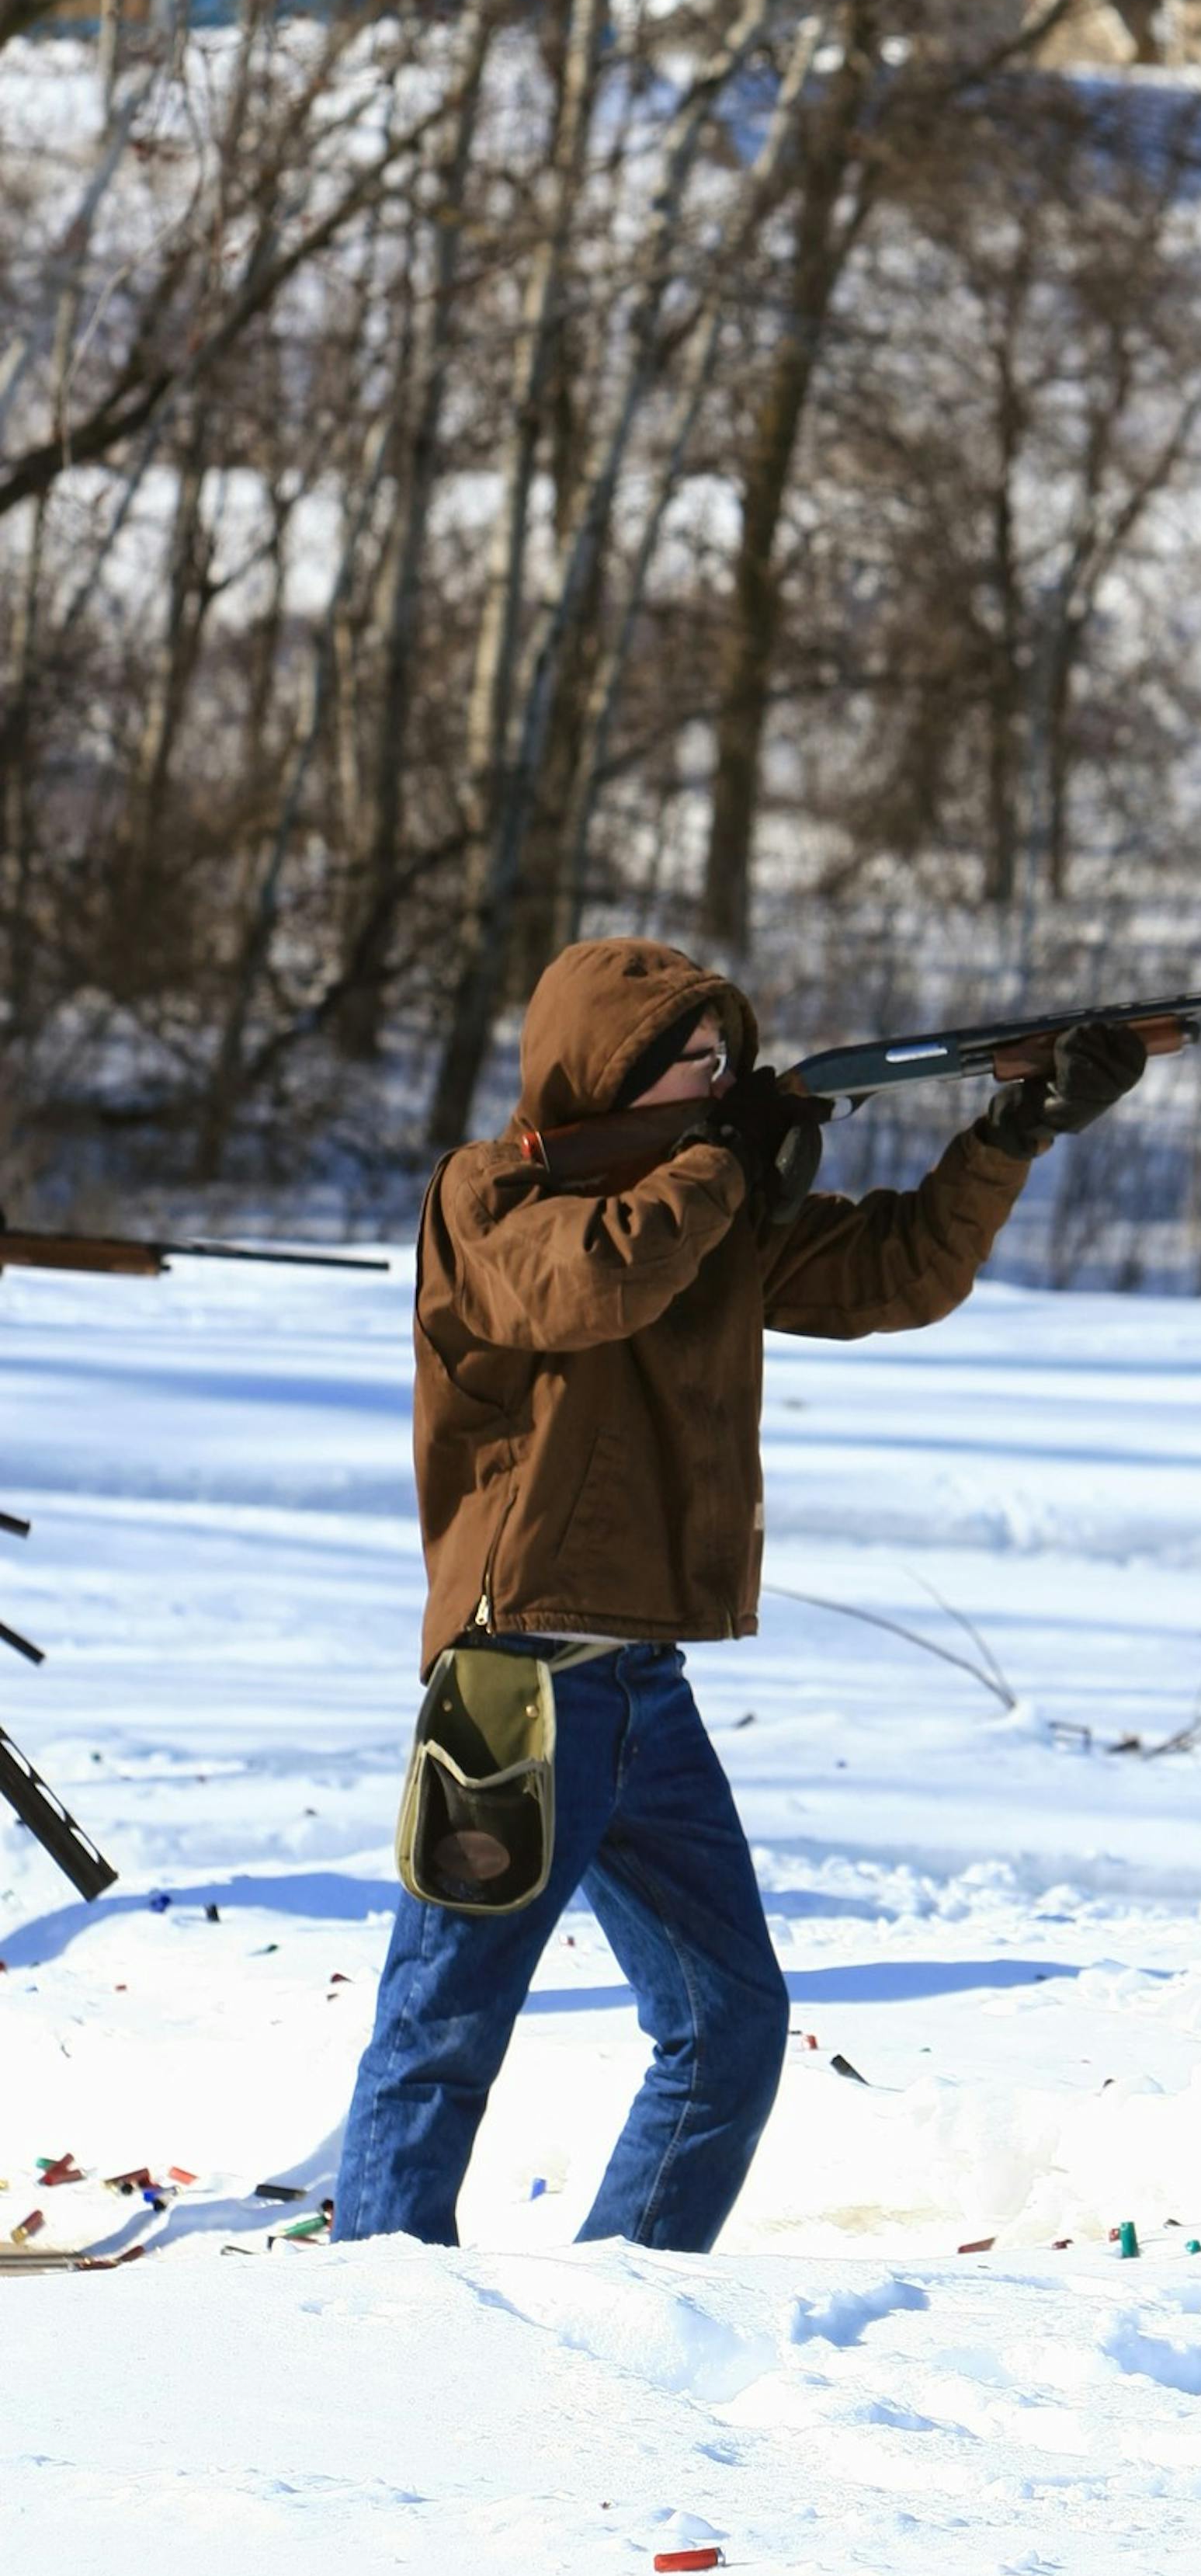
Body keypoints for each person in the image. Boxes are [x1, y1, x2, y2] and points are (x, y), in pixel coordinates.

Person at [334, 936, 1146, 2250]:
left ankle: (626, 2302)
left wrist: (1016, 1129)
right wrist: (728, 1163)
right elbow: (592, 1281)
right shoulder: (489, 1198)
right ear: (604, 1073)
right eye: (690, 1067)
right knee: (444, 2032)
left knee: (730, 2028)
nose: (721, 1082)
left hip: (642, 1685)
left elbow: (900, 1270)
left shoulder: (701, 1213)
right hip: (516, 1683)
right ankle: (373, 2314)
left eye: (727, 1062)